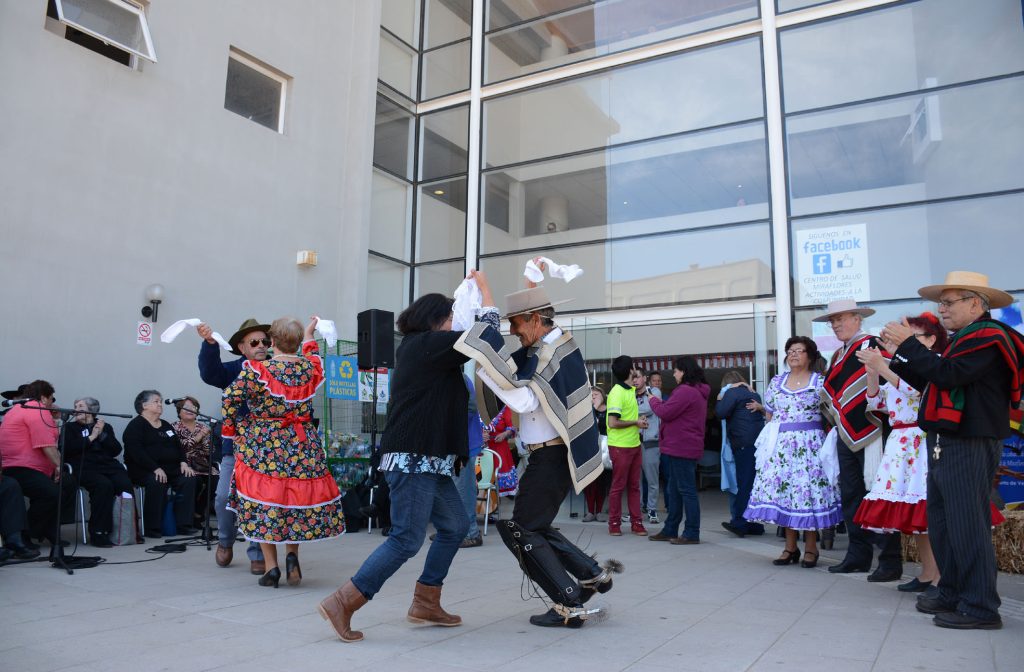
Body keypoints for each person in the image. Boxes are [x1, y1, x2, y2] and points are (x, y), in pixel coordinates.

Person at [319, 289, 495, 643]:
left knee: (456, 526)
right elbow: (485, 339)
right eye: (449, 319)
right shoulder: (423, 345)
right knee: (407, 538)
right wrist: (486, 297)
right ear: (433, 320)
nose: (452, 325)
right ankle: (343, 601)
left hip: (432, 461)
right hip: (414, 459)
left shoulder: (430, 350)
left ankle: (426, 600)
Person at [456, 270, 615, 629]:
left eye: (516, 323)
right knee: (533, 525)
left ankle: (568, 601)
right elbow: (530, 385)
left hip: (552, 453)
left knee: (519, 528)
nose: (513, 331)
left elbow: (526, 399)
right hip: (551, 454)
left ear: (536, 320)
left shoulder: (552, 350)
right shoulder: (550, 346)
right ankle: (591, 575)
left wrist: (489, 369)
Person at [881, 271, 1024, 630]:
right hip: (947, 441)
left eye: (948, 302)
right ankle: (951, 591)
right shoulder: (966, 338)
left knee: (967, 524)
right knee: (943, 523)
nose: (941, 309)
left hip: (969, 440)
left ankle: (980, 606)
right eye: (940, 303)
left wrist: (908, 346)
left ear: (975, 303)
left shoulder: (990, 336)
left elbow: (950, 375)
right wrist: (897, 358)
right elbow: (933, 381)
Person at [225, 316, 344, 588]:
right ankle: (292, 558)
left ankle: (271, 567)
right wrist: (310, 334)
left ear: (272, 341)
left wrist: (233, 431)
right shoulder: (310, 368)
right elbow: (313, 353)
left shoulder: (257, 370)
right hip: (303, 444)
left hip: (264, 445)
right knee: (295, 502)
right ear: (297, 342)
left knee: (266, 502)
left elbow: (230, 397)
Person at [853, 312, 947, 593]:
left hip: (922, 440)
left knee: (930, 512)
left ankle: (943, 575)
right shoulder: (898, 366)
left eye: (914, 337)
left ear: (931, 340)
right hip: (900, 443)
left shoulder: (936, 365)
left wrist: (882, 367)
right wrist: (873, 373)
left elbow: (917, 391)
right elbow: (876, 402)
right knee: (914, 514)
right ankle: (928, 572)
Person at [815, 299, 902, 582]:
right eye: (833, 321)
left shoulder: (872, 345)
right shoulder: (838, 354)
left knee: (878, 494)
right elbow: (837, 393)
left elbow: (894, 379)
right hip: (846, 432)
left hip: (875, 431)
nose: (837, 324)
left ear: (857, 319)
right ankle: (858, 555)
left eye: (842, 319)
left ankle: (889, 561)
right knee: (851, 495)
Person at [744, 337, 841, 567]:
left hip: (810, 446)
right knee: (784, 494)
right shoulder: (777, 381)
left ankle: (811, 548)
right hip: (782, 446)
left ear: (810, 355)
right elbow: (770, 415)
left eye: (799, 350)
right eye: (790, 350)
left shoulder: (820, 382)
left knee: (806, 495)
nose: (794, 354)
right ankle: (790, 547)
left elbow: (831, 413)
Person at [197, 318, 269, 573]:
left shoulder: (274, 369)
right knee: (224, 497)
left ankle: (258, 553)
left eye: (265, 341)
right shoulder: (232, 371)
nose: (262, 345)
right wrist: (209, 344)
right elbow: (210, 373)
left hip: (266, 451)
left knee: (260, 502)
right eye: (255, 342)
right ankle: (225, 541)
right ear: (242, 346)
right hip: (235, 449)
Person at [0, 380, 76, 551]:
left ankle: (48, 529)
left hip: (31, 467)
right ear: (43, 397)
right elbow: (46, 445)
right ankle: (28, 532)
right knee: (52, 493)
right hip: (19, 467)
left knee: (68, 483)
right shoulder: (35, 410)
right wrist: (58, 466)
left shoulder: (22, 409)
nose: (53, 402)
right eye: (51, 398)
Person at [649, 356, 709, 545]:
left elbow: (665, 412)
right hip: (684, 446)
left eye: (675, 370)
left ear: (683, 371)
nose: (673, 373)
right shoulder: (697, 391)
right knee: (675, 489)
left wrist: (653, 400)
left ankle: (691, 532)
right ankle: (670, 529)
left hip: (681, 446)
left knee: (686, 490)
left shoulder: (685, 391)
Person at [123, 390, 198, 539]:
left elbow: (178, 447)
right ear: (144, 405)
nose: (160, 404)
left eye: (160, 401)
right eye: (156, 401)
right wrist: (155, 468)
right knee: (157, 481)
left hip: (170, 468)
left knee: (189, 479)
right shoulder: (136, 426)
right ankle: (153, 527)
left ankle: (183, 524)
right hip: (144, 469)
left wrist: (183, 462)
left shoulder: (165, 425)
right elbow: (136, 452)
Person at [63, 397, 133, 547]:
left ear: (92, 410)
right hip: (84, 467)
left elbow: (116, 450)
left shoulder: (104, 426)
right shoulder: (69, 428)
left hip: (108, 466)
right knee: (103, 485)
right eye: (75, 405)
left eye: (80, 405)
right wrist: (91, 437)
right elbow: (67, 450)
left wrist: (102, 435)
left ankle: (126, 530)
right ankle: (99, 532)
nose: (76, 408)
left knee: (125, 484)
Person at [715, 371, 765, 538]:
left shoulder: (731, 393)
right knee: (750, 483)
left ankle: (740, 522)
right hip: (756, 442)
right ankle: (752, 524)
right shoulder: (753, 393)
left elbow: (720, 412)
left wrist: (720, 398)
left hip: (743, 442)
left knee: (743, 483)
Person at [606, 356, 648, 536]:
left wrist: (638, 422)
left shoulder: (631, 390)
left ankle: (636, 523)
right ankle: (614, 524)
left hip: (634, 444)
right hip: (620, 446)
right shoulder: (617, 392)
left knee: (634, 486)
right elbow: (612, 422)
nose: (635, 369)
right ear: (629, 370)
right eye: (633, 366)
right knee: (618, 486)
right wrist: (635, 422)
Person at [172, 397, 217, 532]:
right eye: (187, 407)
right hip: (182, 463)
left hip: (201, 463)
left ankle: (198, 513)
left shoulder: (202, 427)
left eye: (194, 408)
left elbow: (210, 451)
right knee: (194, 481)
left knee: (215, 480)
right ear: (179, 411)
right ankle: (190, 516)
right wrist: (198, 437)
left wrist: (206, 440)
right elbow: (182, 448)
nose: (191, 410)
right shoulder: (174, 427)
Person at [454, 373, 485, 548]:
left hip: (464, 445)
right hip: (455, 445)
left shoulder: (460, 378)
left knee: (463, 491)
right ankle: (452, 532)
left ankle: (472, 533)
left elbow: (470, 407)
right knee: (453, 491)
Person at [635, 370, 662, 526]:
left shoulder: (654, 391)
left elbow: (650, 408)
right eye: (633, 377)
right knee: (635, 480)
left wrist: (630, 411)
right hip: (633, 441)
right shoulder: (630, 393)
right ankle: (636, 510)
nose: (635, 380)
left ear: (645, 379)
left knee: (652, 479)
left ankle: (652, 509)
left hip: (650, 441)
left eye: (638, 376)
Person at [582, 386, 611, 523]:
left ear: (603, 395)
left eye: (596, 394)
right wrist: (594, 408)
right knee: (590, 481)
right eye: (591, 395)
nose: (593, 396)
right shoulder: (587, 411)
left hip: (605, 450)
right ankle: (589, 511)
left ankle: (599, 511)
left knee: (602, 481)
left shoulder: (610, 409)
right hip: (590, 449)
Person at [486, 405, 519, 498]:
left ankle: (505, 492)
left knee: (502, 469)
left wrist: (504, 434)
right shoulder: (474, 408)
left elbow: (511, 428)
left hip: (500, 448)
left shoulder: (505, 408)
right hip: (483, 449)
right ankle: (490, 496)